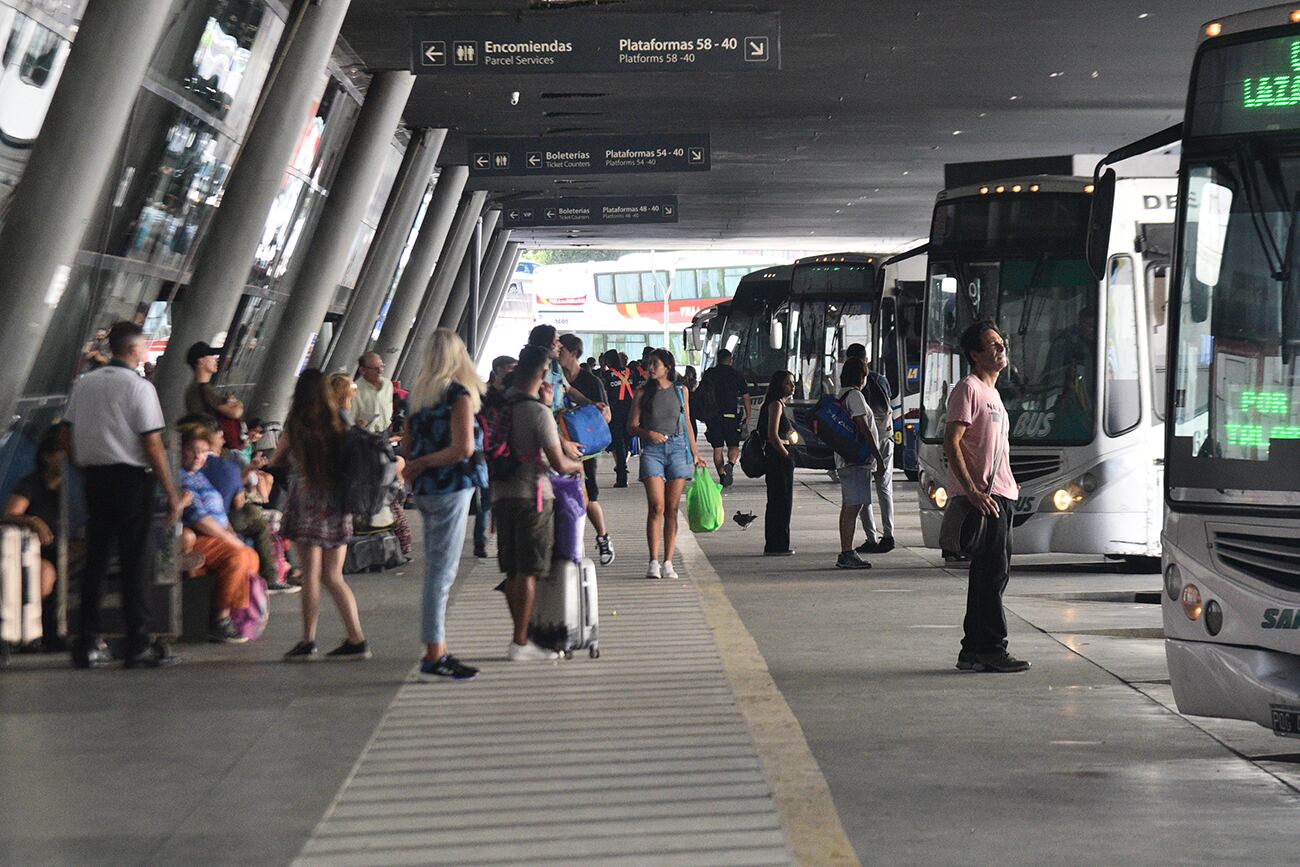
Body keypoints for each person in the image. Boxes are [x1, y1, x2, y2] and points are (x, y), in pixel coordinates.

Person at [63, 320, 182, 669]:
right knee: (135, 562)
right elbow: (152, 445)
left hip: (95, 481)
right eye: (144, 346)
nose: (146, 351)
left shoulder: (83, 385)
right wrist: (170, 492)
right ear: (133, 350)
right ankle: (137, 643)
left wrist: (84, 466)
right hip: (132, 481)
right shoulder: (140, 388)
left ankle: (86, 643)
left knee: (96, 562)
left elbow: (66, 437)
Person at [402, 329, 488, 681]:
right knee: (442, 573)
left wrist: (418, 465)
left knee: (438, 569)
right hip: (452, 487)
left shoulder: (419, 396)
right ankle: (435, 652)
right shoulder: (458, 395)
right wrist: (425, 463)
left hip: (424, 491)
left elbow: (406, 448)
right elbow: (463, 448)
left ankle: (436, 648)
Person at [945, 320, 1028, 674]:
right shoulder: (969, 389)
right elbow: (952, 442)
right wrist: (973, 491)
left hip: (1002, 494)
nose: (1001, 348)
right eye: (992, 345)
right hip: (986, 497)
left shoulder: (993, 394)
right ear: (975, 355)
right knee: (992, 574)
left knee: (990, 574)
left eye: (1001, 342)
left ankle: (973, 649)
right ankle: (991, 648)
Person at [491, 345, 583, 661]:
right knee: (529, 572)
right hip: (534, 497)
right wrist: (576, 465)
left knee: (514, 571)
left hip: (501, 497)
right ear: (543, 373)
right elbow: (558, 463)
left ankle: (519, 637)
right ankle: (520, 641)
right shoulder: (538, 412)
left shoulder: (501, 406)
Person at [274, 369, 369, 662]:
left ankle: (308, 640)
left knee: (311, 575)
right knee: (334, 576)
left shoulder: (297, 423)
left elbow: (279, 459)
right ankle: (357, 638)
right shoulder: (339, 420)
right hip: (337, 504)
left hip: (306, 502)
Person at [628, 348, 707, 579]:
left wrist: (695, 453)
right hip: (652, 451)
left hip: (677, 449)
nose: (650, 367)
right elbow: (631, 426)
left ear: (667, 367)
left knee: (672, 509)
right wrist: (647, 434)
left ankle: (668, 562)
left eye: (654, 364)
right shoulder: (642, 392)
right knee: (657, 507)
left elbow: (687, 424)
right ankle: (653, 561)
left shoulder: (681, 391)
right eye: (649, 363)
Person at [178, 424, 258, 643]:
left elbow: (218, 513)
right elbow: (199, 519)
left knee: (250, 557)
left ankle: (234, 612)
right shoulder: (181, 477)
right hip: (198, 537)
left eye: (203, 451)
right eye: (192, 450)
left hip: (216, 535)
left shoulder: (199, 477)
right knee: (239, 555)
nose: (198, 456)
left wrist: (230, 533)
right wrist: (231, 539)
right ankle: (220, 618)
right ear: (181, 450)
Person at [3, 424, 66, 649]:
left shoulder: (70, 486)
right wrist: (33, 521)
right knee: (44, 573)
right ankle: (37, 633)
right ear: (47, 457)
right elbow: (10, 513)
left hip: (66, 548)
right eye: (61, 453)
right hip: (38, 551)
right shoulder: (31, 484)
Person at [558, 334, 615, 566]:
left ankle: (603, 537)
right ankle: (572, 543)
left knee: (588, 496)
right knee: (566, 495)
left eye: (561, 350)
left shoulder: (592, 382)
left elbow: (605, 415)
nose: (557, 354)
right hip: (559, 445)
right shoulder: (555, 376)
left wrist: (591, 409)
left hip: (585, 448)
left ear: (572, 352)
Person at [833, 359, 886, 569]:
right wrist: (878, 457)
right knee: (853, 506)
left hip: (847, 459)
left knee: (849, 505)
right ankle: (847, 553)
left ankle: (847, 551)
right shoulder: (854, 395)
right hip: (856, 461)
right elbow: (863, 427)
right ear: (861, 377)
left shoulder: (842, 394)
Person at [473, 355, 516, 559]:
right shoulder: (484, 393)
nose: (513, 371)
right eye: (510, 367)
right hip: (486, 452)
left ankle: (500, 541)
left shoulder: (514, 393)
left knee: (501, 498)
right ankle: (480, 543)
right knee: (487, 498)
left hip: (507, 451)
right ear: (498, 369)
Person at [858, 360, 896, 554]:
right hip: (886, 437)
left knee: (863, 491)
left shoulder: (855, 390)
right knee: (884, 487)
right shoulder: (881, 379)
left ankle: (871, 537)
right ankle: (888, 534)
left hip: (866, 442)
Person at [699, 348, 751, 487]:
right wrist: (748, 416)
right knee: (734, 446)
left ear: (717, 359)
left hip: (713, 416)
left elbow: (701, 393)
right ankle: (731, 465)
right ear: (730, 360)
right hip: (731, 416)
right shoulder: (736, 375)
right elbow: (746, 397)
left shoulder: (709, 374)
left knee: (718, 448)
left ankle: (722, 476)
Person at [760, 370, 798, 556]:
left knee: (777, 501)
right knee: (781, 502)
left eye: (793, 383)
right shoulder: (776, 405)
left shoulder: (778, 403)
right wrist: (786, 455)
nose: (792, 387)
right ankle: (778, 545)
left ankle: (775, 544)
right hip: (778, 459)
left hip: (777, 457)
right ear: (778, 385)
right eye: (788, 383)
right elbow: (773, 435)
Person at [183, 341, 243, 429]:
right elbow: (235, 413)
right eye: (211, 356)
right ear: (201, 361)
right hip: (207, 436)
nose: (216, 359)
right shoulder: (204, 389)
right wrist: (238, 404)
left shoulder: (194, 388)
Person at [602, 349, 636, 488]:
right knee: (626, 443)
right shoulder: (630, 372)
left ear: (608, 361)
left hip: (615, 413)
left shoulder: (607, 375)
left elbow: (604, 393)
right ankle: (622, 466)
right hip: (630, 411)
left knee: (618, 444)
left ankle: (621, 475)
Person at [352, 352, 395, 436]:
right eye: (375, 368)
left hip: (384, 432)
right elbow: (350, 416)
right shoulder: (355, 389)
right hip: (364, 434)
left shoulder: (388, 384)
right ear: (362, 370)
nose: (380, 371)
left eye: (382, 366)